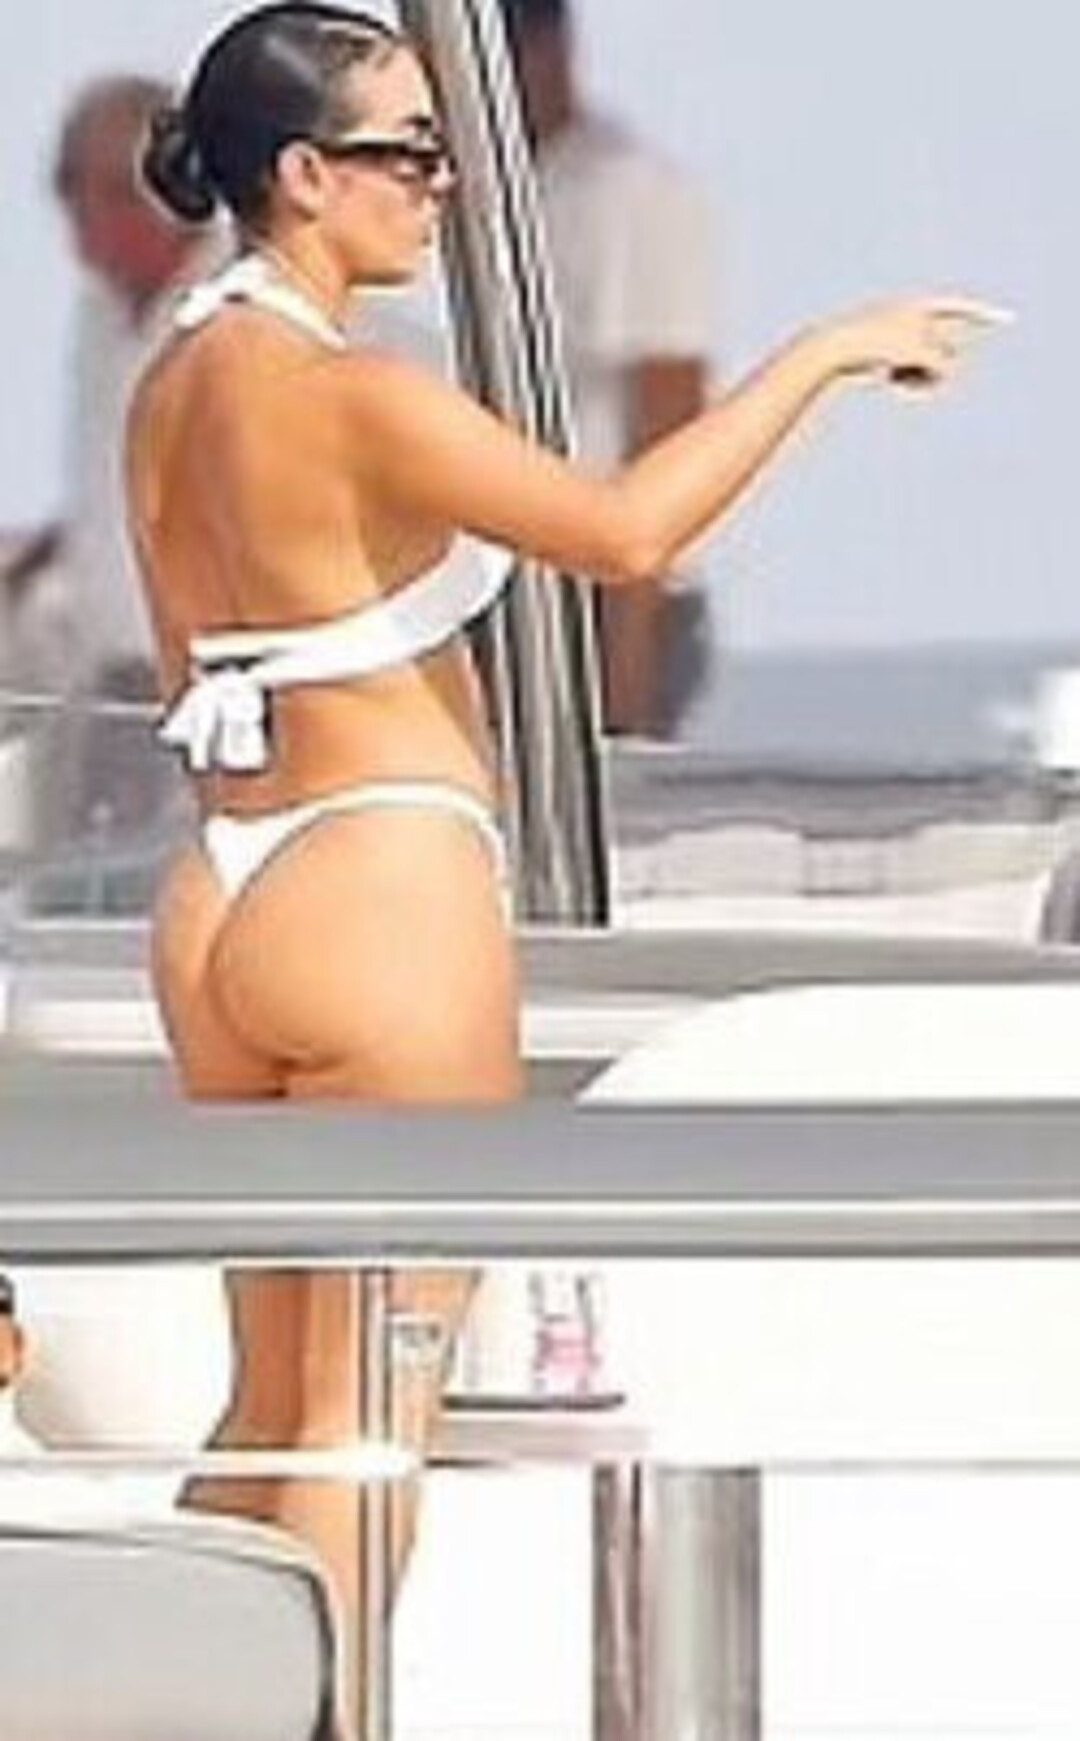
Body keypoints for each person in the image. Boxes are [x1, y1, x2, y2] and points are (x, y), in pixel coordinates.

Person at [125, 0, 1004, 1675]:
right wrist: (823, 355)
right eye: (410, 152)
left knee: (269, 1405)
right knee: (367, 1417)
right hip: (378, 881)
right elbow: (624, 534)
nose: (444, 182)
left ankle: (169, 1709)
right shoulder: (349, 392)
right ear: (303, 175)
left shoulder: (172, 382)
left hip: (222, 894)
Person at [500, 0, 716, 736]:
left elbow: (667, 413)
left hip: (605, 588)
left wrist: (626, 666)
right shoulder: (466, 196)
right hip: (498, 585)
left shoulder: (633, 192)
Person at [25, 77, 221, 845]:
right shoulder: (96, 316)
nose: (81, 224)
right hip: (110, 677)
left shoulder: (239, 307)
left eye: (99, 195)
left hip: (216, 680)